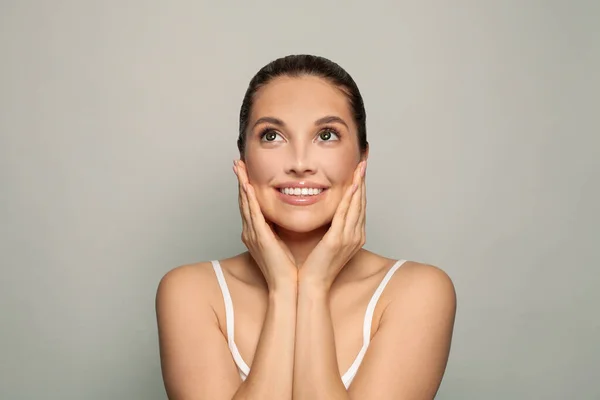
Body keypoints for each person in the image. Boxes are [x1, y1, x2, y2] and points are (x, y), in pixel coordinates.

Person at [155, 54, 457, 400]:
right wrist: (283, 289)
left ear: (362, 157)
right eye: (272, 136)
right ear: (244, 159)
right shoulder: (191, 293)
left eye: (326, 135)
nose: (299, 164)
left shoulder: (417, 292)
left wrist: (312, 287)